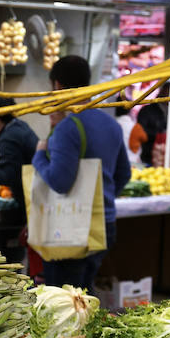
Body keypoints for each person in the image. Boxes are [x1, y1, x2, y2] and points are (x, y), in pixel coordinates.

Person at [32, 55, 131, 294]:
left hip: (70, 229)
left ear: (57, 85)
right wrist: (100, 198)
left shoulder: (69, 127)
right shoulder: (111, 125)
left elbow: (59, 182)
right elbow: (124, 174)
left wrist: (39, 156)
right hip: (104, 225)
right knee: (84, 294)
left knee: (63, 300)